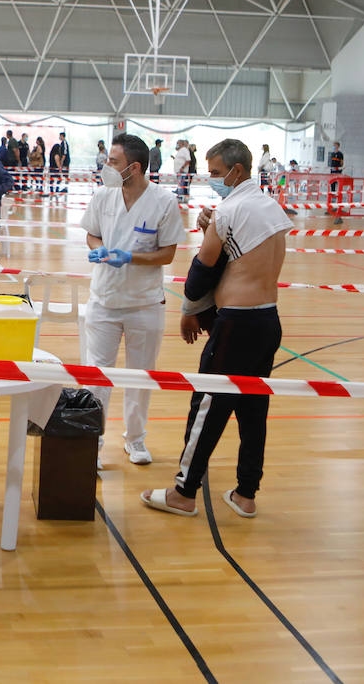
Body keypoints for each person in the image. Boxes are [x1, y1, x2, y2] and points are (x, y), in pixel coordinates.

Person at [142, 138, 291, 520]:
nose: (212, 181)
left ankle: (183, 492)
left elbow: (201, 273)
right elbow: (245, 254)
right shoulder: (269, 207)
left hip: (236, 326)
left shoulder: (229, 210)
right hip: (268, 319)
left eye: (215, 173)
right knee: (254, 409)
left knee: (207, 405)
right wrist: (214, 227)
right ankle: (245, 494)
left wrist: (189, 309)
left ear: (236, 171)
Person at [81, 134, 188, 468]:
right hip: (104, 300)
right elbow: (91, 232)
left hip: (144, 303)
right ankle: (93, 441)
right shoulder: (103, 196)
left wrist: (129, 257)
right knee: (97, 376)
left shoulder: (164, 202)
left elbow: (168, 253)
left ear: (134, 167)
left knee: (140, 377)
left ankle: (135, 439)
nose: (106, 166)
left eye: (113, 161)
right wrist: (97, 247)